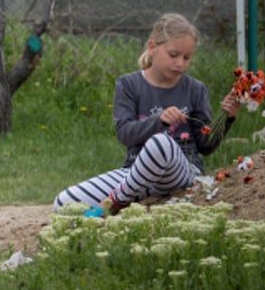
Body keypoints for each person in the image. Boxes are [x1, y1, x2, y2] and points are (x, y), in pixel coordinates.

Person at [53, 12, 241, 215]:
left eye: (187, 57)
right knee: (64, 202)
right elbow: (125, 134)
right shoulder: (128, 84)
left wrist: (227, 117)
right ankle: (128, 196)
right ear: (152, 47)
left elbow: (205, 146)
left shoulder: (195, 89)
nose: (180, 63)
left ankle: (113, 202)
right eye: (173, 55)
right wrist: (159, 120)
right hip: (137, 175)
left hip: (182, 175)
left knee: (161, 144)